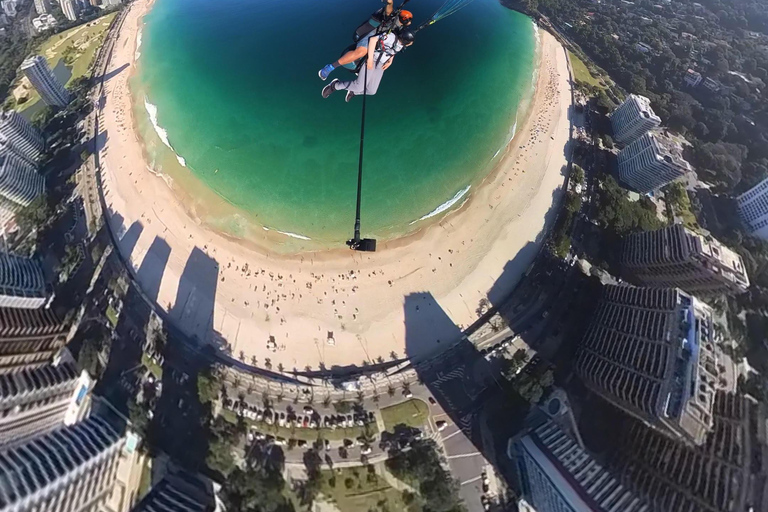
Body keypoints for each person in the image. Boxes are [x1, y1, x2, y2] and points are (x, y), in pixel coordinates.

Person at [318, 3, 413, 81]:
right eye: (409, 20)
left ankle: (356, 87)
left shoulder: (400, 29)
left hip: (382, 41)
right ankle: (330, 67)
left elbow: (397, 44)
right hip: (372, 35)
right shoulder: (390, 17)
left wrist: (391, 58)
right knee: (362, 51)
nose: (410, 23)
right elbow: (389, 5)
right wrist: (390, 2)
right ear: (405, 20)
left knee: (380, 63)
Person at [321, 30, 414, 102]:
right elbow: (373, 40)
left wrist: (391, 60)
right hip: (372, 59)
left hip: (381, 64)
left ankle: (353, 92)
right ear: (405, 41)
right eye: (410, 43)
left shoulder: (401, 44)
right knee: (359, 86)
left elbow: (393, 50)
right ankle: (335, 85)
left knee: (372, 91)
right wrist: (369, 59)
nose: (411, 44)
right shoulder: (390, 37)